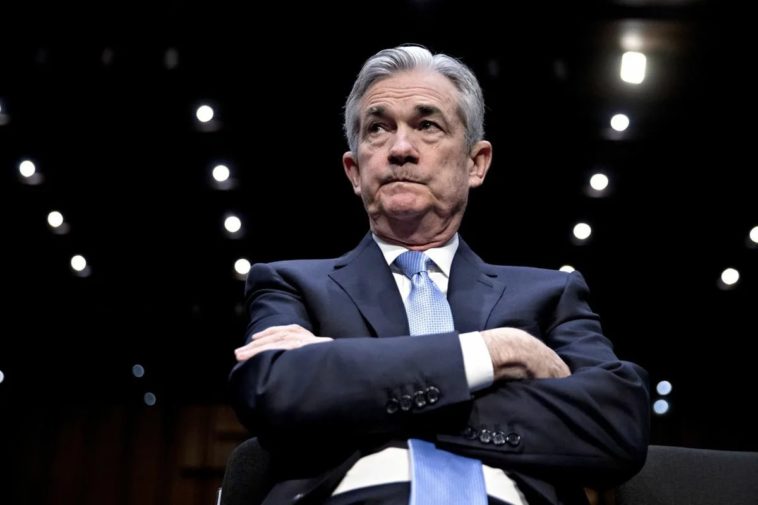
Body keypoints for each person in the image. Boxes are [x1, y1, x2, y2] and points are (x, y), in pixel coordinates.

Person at [230, 44, 650, 505]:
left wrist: (343, 373)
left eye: (427, 126)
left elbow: (617, 425)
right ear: (354, 171)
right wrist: (496, 353)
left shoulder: (551, 294)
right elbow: (273, 392)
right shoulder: (290, 284)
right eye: (378, 129)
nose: (400, 149)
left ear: (476, 163)